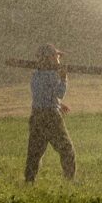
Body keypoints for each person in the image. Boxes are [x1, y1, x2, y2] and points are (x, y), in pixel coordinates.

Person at [25, 44, 76, 183]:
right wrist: (64, 79)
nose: (59, 59)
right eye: (57, 56)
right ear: (50, 58)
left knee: (34, 153)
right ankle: (69, 180)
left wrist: (58, 104)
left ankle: (29, 181)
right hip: (51, 117)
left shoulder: (35, 75)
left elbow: (43, 96)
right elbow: (59, 93)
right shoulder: (53, 76)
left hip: (36, 116)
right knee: (66, 149)